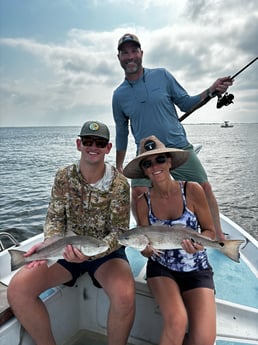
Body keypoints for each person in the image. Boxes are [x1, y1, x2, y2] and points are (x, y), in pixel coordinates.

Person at [7, 121, 135, 345]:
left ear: (108, 148)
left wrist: (91, 254)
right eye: (87, 141)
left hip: (105, 253)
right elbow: (55, 217)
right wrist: (51, 243)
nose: (92, 146)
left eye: (100, 142)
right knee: (18, 289)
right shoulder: (63, 176)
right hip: (64, 250)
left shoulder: (120, 184)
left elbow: (120, 232)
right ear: (78, 144)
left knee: (125, 296)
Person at [112, 33, 234, 240]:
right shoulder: (118, 95)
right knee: (137, 194)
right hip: (146, 155)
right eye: (125, 53)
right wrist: (119, 166)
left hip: (178, 147)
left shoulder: (163, 75)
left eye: (134, 51)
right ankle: (147, 240)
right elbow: (121, 132)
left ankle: (219, 237)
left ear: (141, 54)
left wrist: (211, 90)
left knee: (204, 188)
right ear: (119, 58)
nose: (130, 56)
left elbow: (187, 103)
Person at [123, 135, 217, 345]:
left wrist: (199, 244)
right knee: (176, 321)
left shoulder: (193, 190)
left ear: (170, 161)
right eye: (148, 163)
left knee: (204, 340)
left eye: (160, 160)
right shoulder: (142, 202)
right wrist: (145, 251)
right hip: (162, 268)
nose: (155, 166)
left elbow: (209, 231)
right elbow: (144, 240)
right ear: (144, 171)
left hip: (197, 268)